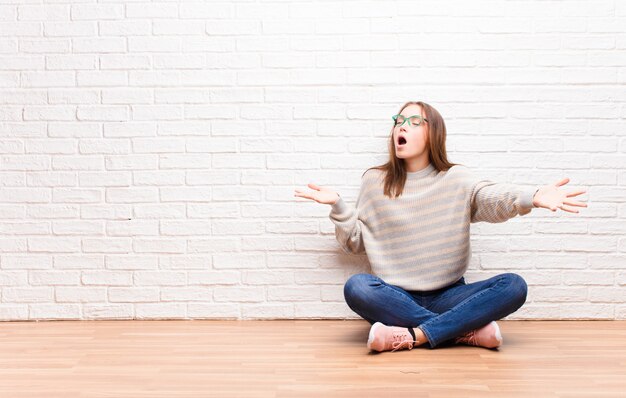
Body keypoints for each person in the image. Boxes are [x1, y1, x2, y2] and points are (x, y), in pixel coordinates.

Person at [294, 101, 587, 353]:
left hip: (450, 295)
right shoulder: (375, 181)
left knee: (513, 286)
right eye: (398, 121)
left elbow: (490, 198)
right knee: (357, 287)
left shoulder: (456, 179)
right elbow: (356, 243)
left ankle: (412, 335)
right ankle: (461, 331)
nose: (401, 127)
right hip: (396, 296)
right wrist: (339, 207)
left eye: (413, 121)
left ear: (433, 132)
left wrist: (531, 197)